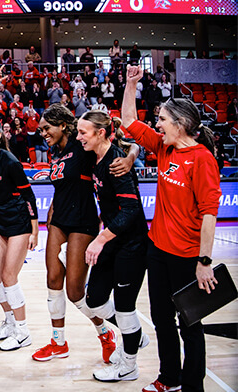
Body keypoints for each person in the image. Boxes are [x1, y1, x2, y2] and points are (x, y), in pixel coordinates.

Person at [122, 65, 221, 392]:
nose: (157, 124)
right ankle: (169, 378)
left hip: (187, 256)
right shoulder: (163, 147)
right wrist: (130, 84)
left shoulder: (202, 159)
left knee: (189, 324)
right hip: (158, 250)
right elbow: (127, 122)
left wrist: (204, 262)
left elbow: (209, 214)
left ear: (180, 124)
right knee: (163, 320)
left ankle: (193, 385)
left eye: (162, 119)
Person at [32, 104, 136, 363]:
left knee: (75, 292)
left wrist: (130, 157)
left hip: (83, 222)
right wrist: (50, 218)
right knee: (53, 281)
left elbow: (127, 145)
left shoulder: (83, 145)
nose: (43, 133)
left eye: (47, 128)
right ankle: (58, 342)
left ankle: (105, 333)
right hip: (58, 221)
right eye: (41, 130)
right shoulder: (56, 152)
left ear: (62, 125)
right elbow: (60, 188)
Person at [75, 110, 148, 382]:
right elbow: (133, 145)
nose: (79, 137)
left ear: (100, 133)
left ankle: (129, 366)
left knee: (125, 306)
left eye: (84, 132)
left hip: (131, 242)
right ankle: (135, 335)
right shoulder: (96, 157)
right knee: (94, 299)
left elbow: (131, 209)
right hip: (113, 239)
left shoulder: (116, 163)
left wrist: (100, 238)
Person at [0, 114, 39, 352]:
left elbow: (28, 195)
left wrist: (34, 230)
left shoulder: (10, 161)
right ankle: (11, 322)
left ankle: (23, 333)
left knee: (9, 277)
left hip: (19, 225)